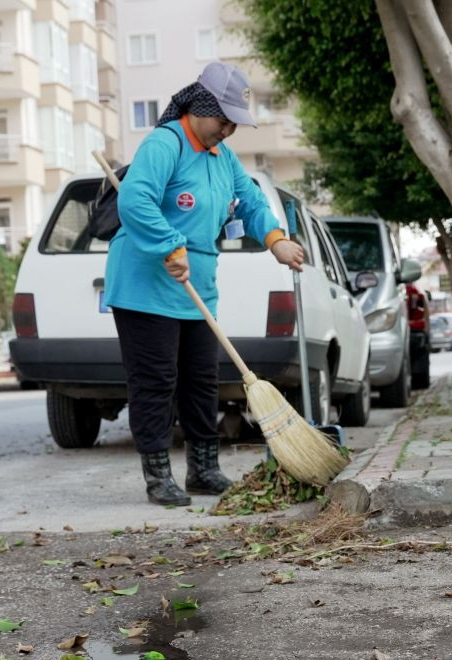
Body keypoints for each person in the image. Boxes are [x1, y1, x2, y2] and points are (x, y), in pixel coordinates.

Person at [105, 62, 305, 506]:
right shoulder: (166, 144)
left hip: (197, 288)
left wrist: (276, 241)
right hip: (146, 285)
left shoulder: (221, 157)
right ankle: (158, 476)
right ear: (201, 107)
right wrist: (170, 245)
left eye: (235, 122)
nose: (229, 129)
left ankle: (204, 469)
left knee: (201, 379)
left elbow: (250, 202)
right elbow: (135, 201)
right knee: (156, 380)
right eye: (224, 118)